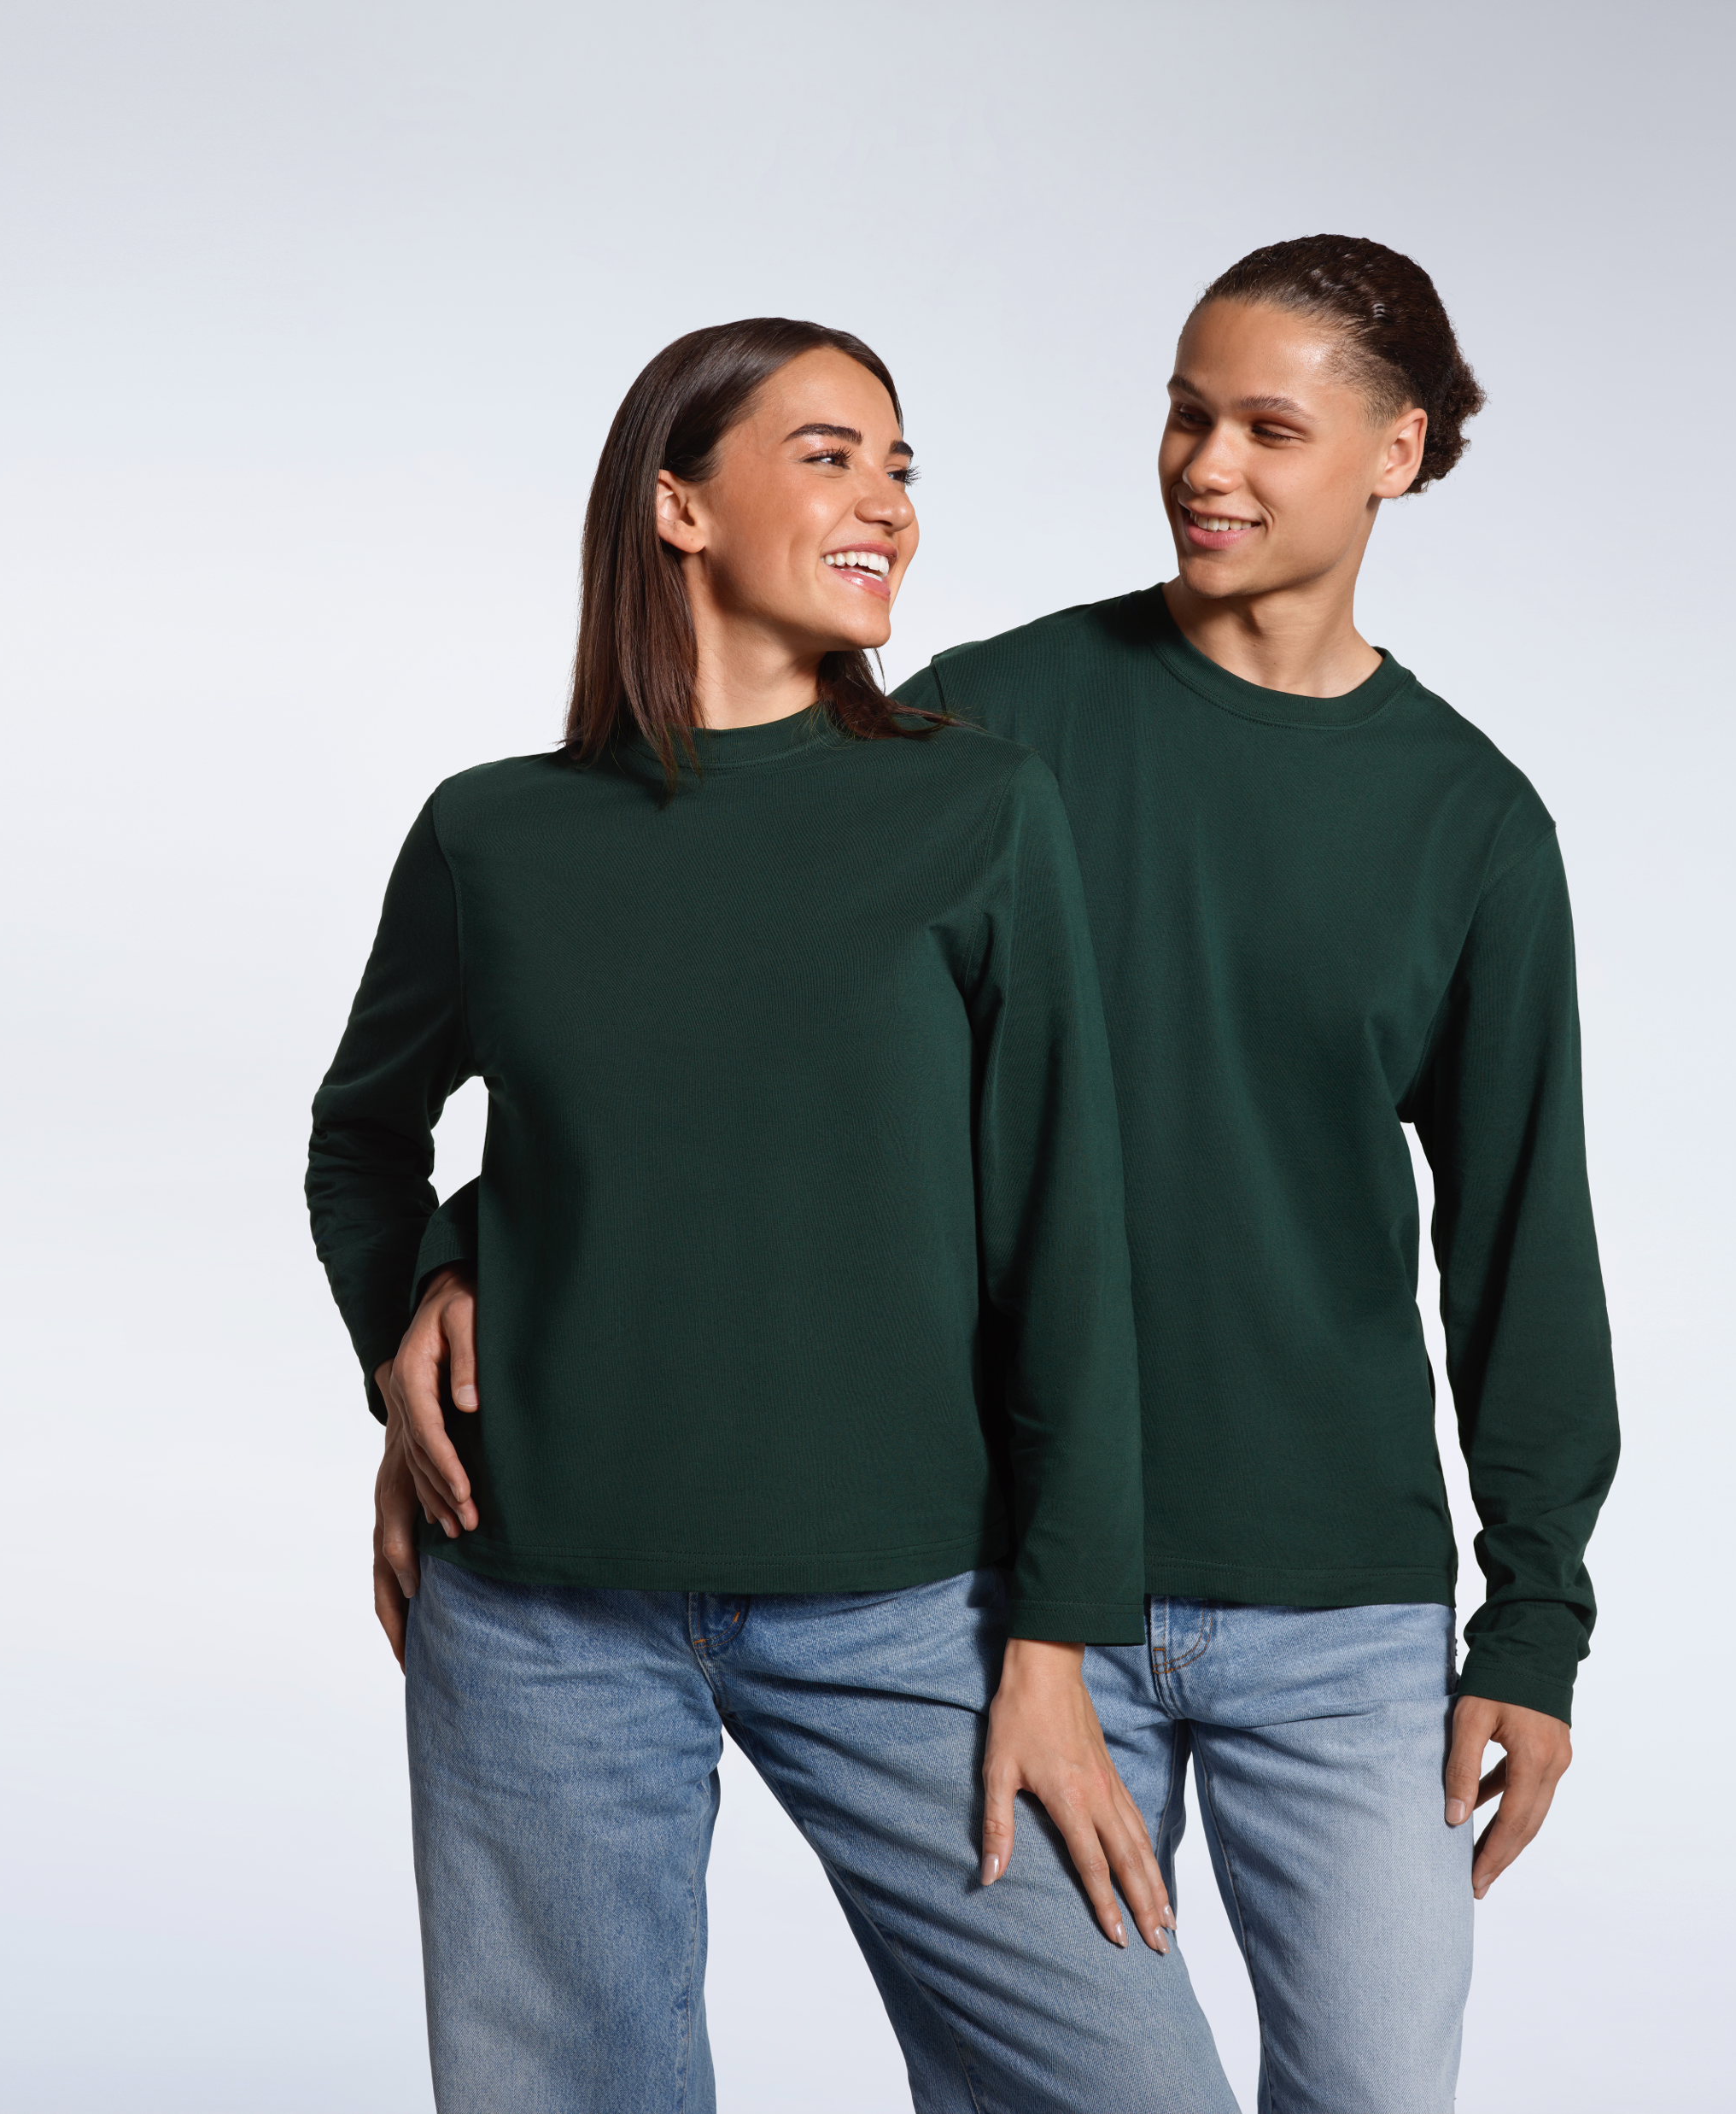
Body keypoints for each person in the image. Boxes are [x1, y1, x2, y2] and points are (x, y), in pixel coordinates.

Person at [400, 240, 1621, 2111]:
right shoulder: (986, 723)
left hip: (1330, 1585)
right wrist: (479, 1271)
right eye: (1186, 414)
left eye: (1267, 428)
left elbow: (1524, 1241)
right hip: (1009, 1565)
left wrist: (1534, 1611)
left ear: (1397, 453)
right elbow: (715, 1029)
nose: (1205, 464)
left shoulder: (1471, 820)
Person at [307, 317, 1236, 2114]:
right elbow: (365, 1138)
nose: (887, 501)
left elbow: (1063, 1236)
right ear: (678, 505)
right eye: (830, 456)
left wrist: (1057, 1638)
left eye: (901, 467)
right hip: (538, 1605)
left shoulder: (975, 806)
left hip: (908, 1601)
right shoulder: (495, 836)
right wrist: (410, 1309)